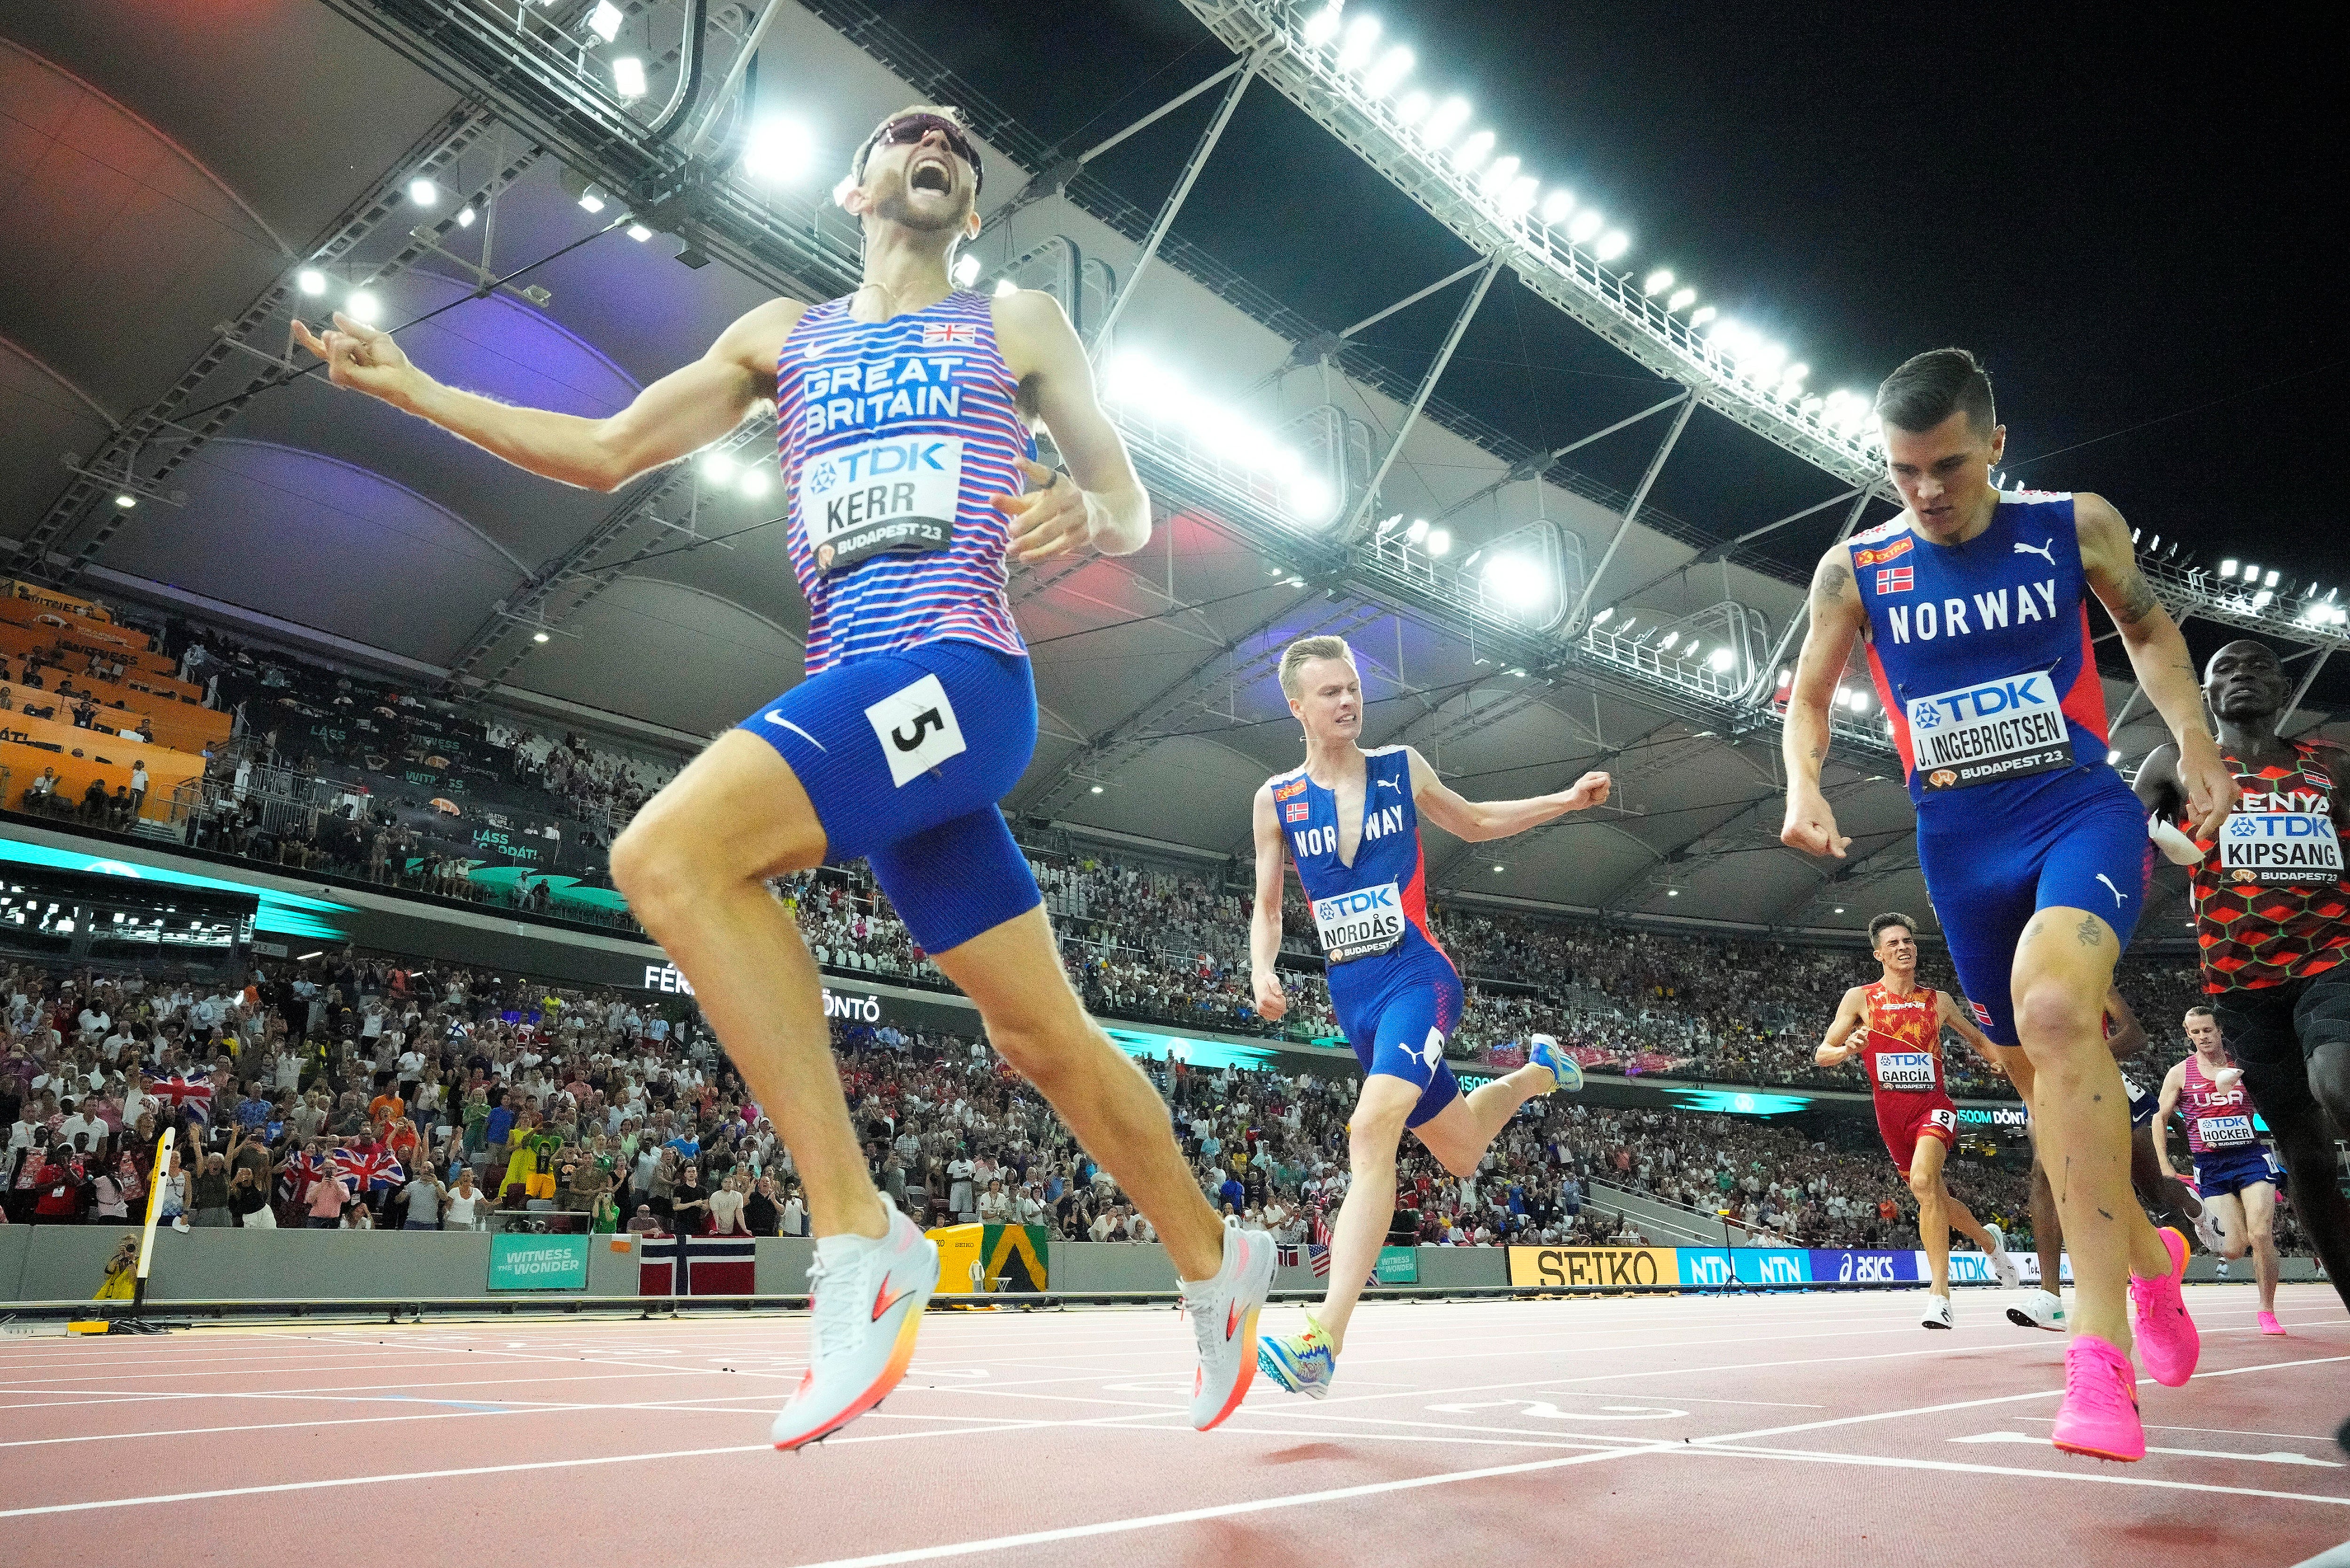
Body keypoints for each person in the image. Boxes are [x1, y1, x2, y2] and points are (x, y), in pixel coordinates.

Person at [297, 101, 1269, 1448]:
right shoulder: (779, 340)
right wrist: (412, 389)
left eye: (961, 152)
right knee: (1037, 1036)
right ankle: (1220, 1263)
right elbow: (605, 449)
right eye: (906, 135)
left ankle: (860, 1232)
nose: (939, 142)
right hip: (867, 698)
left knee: (666, 857)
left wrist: (1085, 512)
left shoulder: (1021, 324)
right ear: (855, 183)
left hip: (959, 676)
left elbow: (1130, 501)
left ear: (970, 210)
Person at [1777, 349, 2227, 1462]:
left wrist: (2195, 741)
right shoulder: (1857, 568)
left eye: (1946, 465)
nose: (1925, 491)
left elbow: (2150, 631)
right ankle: (2154, 1263)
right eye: (1901, 471)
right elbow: (1812, 694)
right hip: (1959, 844)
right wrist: (1802, 780)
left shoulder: (2071, 526)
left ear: (1996, 445)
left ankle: (2098, 1361)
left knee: (2059, 1009)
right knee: (2047, 1090)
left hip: (2078, 807)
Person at [1252, 634, 1607, 1398]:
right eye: (1329, 692)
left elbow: (1475, 820)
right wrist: (1260, 967)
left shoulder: (1399, 769)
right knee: (1464, 1150)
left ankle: (1323, 1338)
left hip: (1420, 976)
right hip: (1357, 1003)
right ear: (1296, 706)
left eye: (1352, 687)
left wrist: (1565, 800)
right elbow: (1269, 906)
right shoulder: (1277, 799)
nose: (1348, 701)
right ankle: (1543, 1071)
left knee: (1369, 1128)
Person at [2132, 638, 2350, 1314]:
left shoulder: (2332, 766)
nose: (2244, 674)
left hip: (2332, 958)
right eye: (2226, 667)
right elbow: (2114, 839)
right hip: (2241, 987)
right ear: (2206, 693)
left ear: (2286, 692)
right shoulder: (2173, 763)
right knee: (2306, 1157)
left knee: (2337, 1078)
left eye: (2261, 667)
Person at [1814, 912, 2020, 1325]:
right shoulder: (1860, 999)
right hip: (1891, 1116)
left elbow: (1980, 1039)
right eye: (1893, 943)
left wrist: (2003, 1064)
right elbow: (1823, 1054)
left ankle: (1939, 1295)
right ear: (1879, 954)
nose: (1903, 947)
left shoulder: (1937, 1000)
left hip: (1934, 1107)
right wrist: (1848, 1048)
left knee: (1925, 1182)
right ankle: (1988, 1240)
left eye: (1907, 941)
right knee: (1934, 1198)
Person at [2010, 989, 2223, 1332]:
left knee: (2154, 1189)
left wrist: (2081, 1059)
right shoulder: (2018, 977)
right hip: (2046, 1086)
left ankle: (2195, 1208)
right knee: (2043, 1172)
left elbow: (2135, 1036)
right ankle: (2050, 1297)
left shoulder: (2093, 977)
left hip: (2104, 1084)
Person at [2153, 1009, 2286, 1333]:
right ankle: (2203, 1220)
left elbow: (2277, 1097)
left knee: (2261, 1233)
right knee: (2233, 1249)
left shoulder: (2242, 1065)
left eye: (2208, 1029)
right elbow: (2160, 1117)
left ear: (2219, 1029)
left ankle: (2266, 1310)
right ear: (2188, 1034)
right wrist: (2164, 1164)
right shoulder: (2180, 1073)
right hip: (2211, 1166)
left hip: (2251, 1157)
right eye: (2196, 1032)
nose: (2203, 1037)